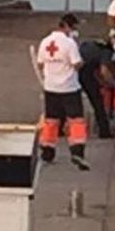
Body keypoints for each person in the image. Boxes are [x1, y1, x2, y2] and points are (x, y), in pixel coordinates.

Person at [37, 13, 90, 171]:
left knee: (51, 120)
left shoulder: (45, 42)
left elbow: (40, 64)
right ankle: (77, 151)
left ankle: (47, 151)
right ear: (68, 26)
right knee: (76, 121)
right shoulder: (69, 43)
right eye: (73, 27)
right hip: (69, 87)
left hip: (50, 87)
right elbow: (77, 64)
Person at [78, 36, 115, 138]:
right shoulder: (107, 53)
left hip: (71, 72)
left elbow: (97, 70)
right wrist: (114, 84)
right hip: (83, 73)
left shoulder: (94, 45)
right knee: (97, 102)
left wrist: (104, 82)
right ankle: (104, 131)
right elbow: (104, 71)